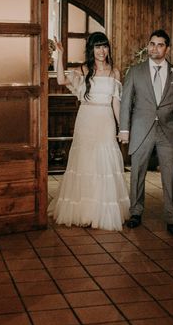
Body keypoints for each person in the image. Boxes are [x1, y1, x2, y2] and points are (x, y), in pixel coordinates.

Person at [48, 32, 130, 231]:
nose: (101, 51)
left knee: (105, 163)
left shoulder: (115, 73)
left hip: (105, 120)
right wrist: (59, 55)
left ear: (108, 49)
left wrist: (123, 128)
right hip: (86, 119)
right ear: (91, 50)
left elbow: (116, 103)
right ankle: (84, 211)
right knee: (85, 163)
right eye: (97, 47)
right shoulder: (83, 71)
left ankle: (101, 211)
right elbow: (60, 80)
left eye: (104, 46)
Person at [118, 29, 173, 237]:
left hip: (168, 130)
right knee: (137, 172)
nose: (154, 48)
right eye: (151, 44)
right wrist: (124, 129)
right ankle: (136, 213)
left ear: (167, 48)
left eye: (159, 45)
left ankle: (172, 218)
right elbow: (125, 103)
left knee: (170, 176)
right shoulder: (135, 71)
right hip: (141, 129)